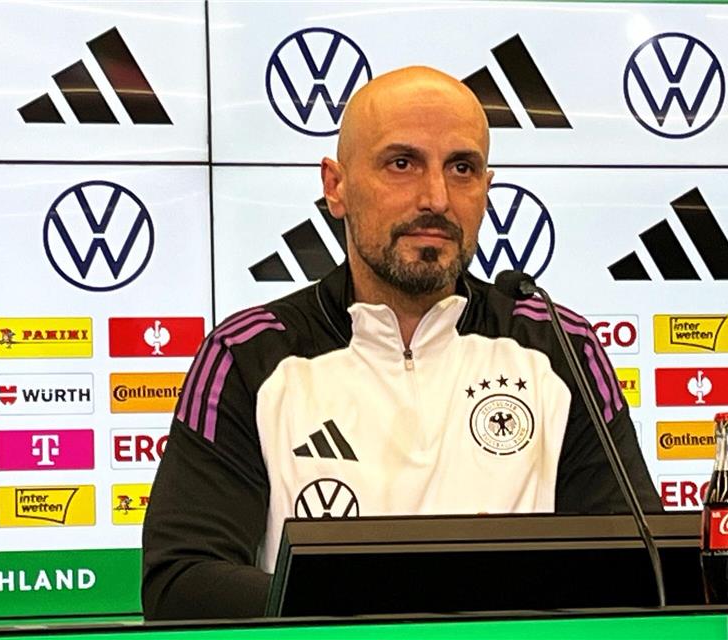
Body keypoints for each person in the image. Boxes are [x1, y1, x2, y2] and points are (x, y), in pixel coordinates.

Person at [142, 66, 660, 620]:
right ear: (335, 187)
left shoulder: (558, 346)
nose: (435, 197)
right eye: (402, 164)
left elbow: (643, 571)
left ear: (486, 188)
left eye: (462, 168)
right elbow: (182, 584)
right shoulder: (249, 355)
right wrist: (393, 610)